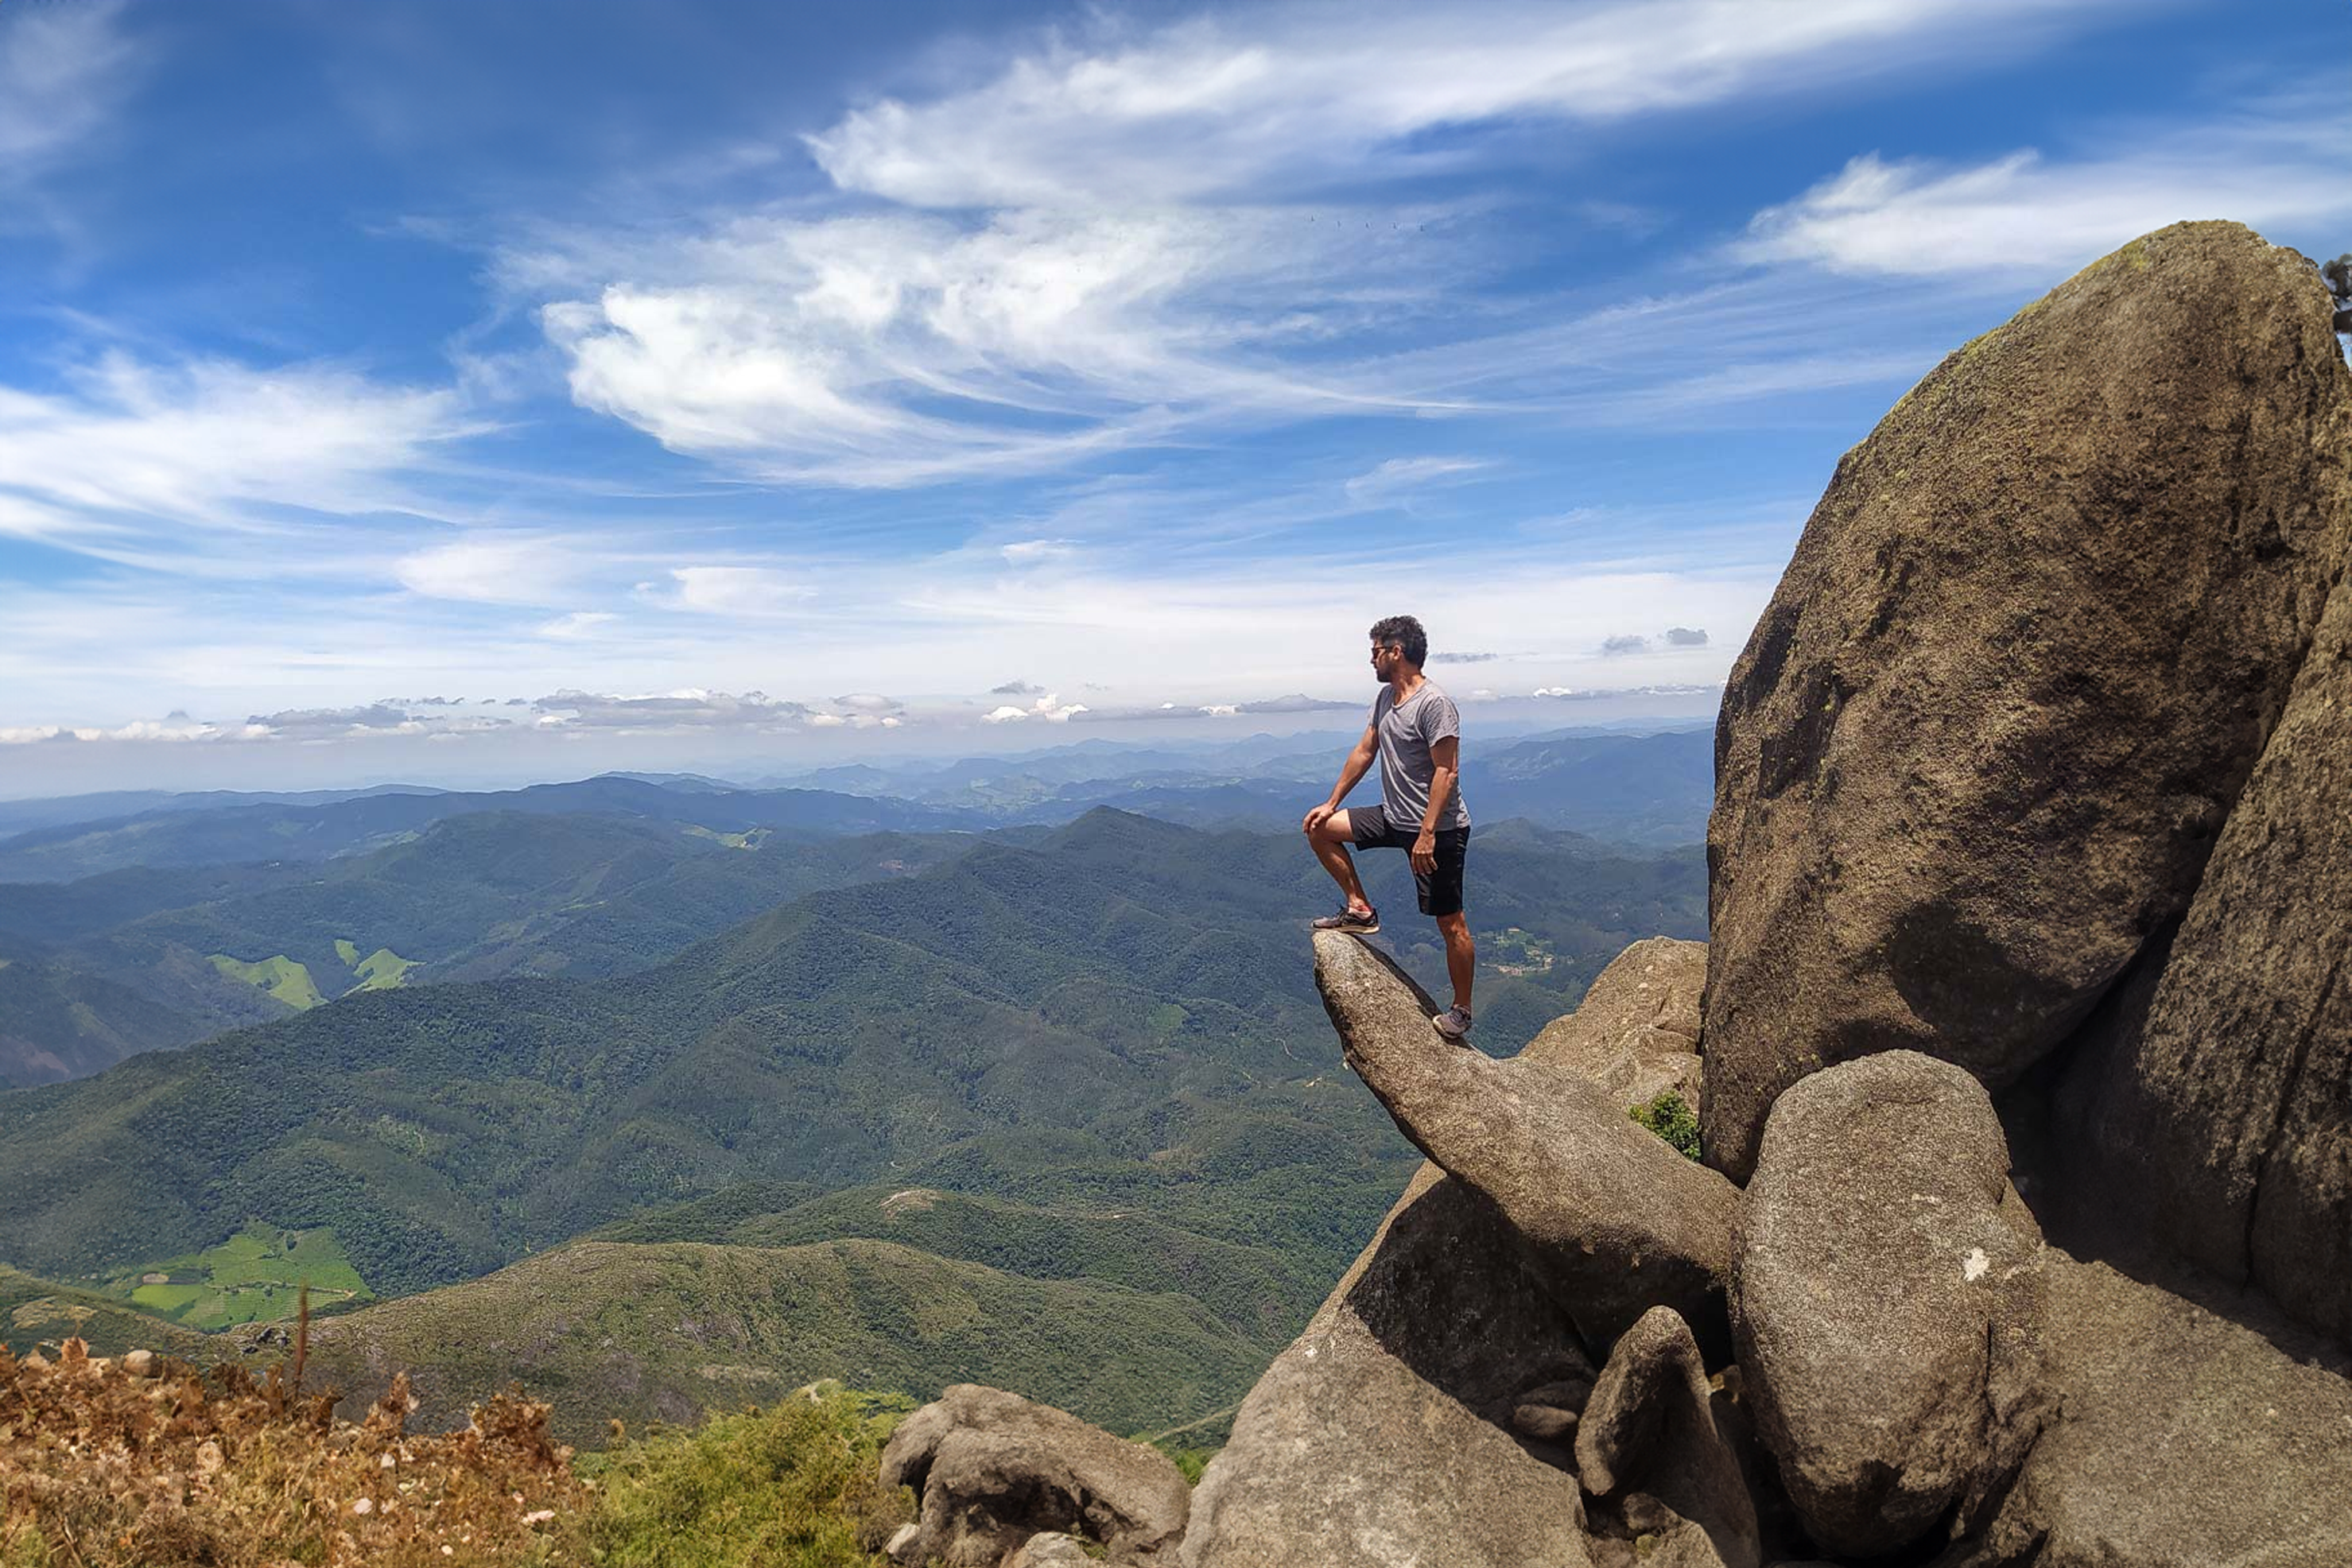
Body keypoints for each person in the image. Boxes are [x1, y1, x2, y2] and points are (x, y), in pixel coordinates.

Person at [1302, 614, 1476, 1041]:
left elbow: (1446, 773)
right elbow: (1365, 750)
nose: (1371, 660)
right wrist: (1331, 803)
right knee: (1319, 830)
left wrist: (1428, 833)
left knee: (1451, 924)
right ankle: (1359, 909)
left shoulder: (1434, 704)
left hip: (1438, 830)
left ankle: (1462, 1010)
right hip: (1393, 816)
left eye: (1376, 651)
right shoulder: (1385, 700)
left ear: (1396, 652)